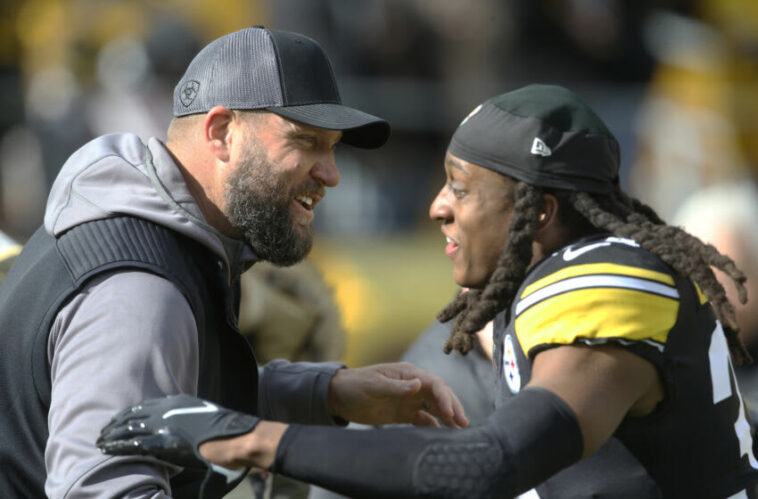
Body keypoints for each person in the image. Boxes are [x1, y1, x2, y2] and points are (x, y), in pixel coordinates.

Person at [99, 84, 758, 498]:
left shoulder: (609, 277)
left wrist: (251, 436)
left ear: (541, 210)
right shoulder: (543, 289)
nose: (439, 206)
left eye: (463, 186)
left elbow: (489, 464)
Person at [0, 26, 469, 499]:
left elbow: (168, 394)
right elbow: (104, 492)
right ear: (221, 132)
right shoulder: (139, 289)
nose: (332, 173)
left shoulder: (171, 237)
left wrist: (325, 392)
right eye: (306, 140)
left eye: (333, 146)